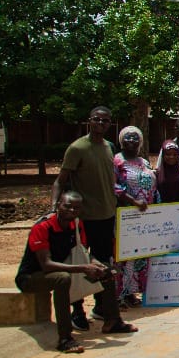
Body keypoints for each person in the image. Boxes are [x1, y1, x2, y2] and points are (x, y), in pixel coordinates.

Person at [16, 191, 137, 353]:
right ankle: (65, 338)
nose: (72, 211)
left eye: (76, 208)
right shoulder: (43, 227)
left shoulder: (77, 225)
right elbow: (46, 265)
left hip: (65, 267)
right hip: (32, 276)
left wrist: (96, 265)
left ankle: (113, 320)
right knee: (62, 279)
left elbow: (83, 253)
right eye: (67, 206)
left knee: (107, 272)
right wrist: (83, 268)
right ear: (58, 205)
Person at [52, 106, 118, 331]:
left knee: (103, 264)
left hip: (106, 215)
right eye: (97, 119)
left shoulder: (109, 148)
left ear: (110, 123)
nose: (101, 123)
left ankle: (101, 307)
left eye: (105, 120)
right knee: (78, 263)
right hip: (84, 218)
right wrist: (55, 208)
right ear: (89, 121)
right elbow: (61, 180)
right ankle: (77, 310)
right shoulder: (77, 148)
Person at [113, 126, 155, 307]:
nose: (131, 141)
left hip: (144, 216)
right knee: (123, 255)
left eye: (135, 138)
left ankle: (131, 292)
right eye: (127, 138)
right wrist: (132, 201)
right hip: (125, 216)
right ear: (121, 141)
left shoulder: (144, 162)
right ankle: (118, 295)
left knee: (139, 255)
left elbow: (153, 185)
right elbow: (113, 187)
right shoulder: (116, 162)